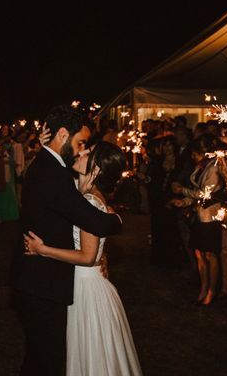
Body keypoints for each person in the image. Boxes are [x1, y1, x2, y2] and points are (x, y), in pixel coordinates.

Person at [12, 105, 123, 376]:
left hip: (43, 280)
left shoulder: (49, 166)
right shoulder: (54, 174)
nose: (82, 150)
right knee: (44, 360)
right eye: (80, 142)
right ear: (62, 134)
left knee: (44, 356)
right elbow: (96, 222)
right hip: (42, 284)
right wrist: (118, 220)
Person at [24, 141, 142, 375]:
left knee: (89, 355)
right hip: (88, 282)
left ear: (96, 169)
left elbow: (88, 256)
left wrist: (42, 249)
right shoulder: (84, 194)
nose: (82, 151)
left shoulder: (89, 201)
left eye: (89, 152)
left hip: (85, 286)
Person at [170, 133, 224, 305]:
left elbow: (204, 194)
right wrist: (184, 201)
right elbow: (196, 194)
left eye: (195, 154)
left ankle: (211, 290)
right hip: (199, 215)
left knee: (210, 254)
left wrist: (182, 191)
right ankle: (204, 286)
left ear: (204, 152)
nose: (193, 157)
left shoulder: (214, 168)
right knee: (199, 253)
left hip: (210, 216)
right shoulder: (201, 167)